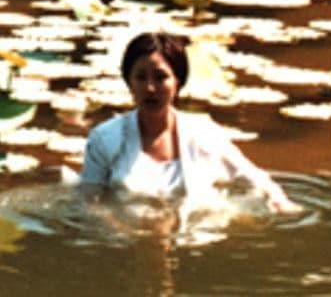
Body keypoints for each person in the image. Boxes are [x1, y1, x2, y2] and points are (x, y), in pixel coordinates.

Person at [80, 32, 297, 214]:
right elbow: (89, 201)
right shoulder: (105, 139)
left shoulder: (204, 133)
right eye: (141, 77)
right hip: (128, 237)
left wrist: (281, 204)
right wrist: (128, 233)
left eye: (160, 77)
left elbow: (254, 178)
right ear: (129, 82)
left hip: (196, 237)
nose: (150, 88)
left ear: (178, 82)